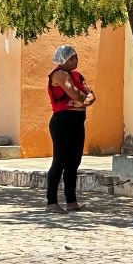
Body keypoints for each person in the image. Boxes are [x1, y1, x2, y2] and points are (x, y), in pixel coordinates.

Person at [46, 45, 95, 213]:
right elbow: (75, 94)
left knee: (74, 161)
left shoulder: (77, 75)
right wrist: (84, 99)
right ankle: (51, 202)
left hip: (77, 120)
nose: (75, 60)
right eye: (71, 58)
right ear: (62, 59)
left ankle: (71, 201)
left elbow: (91, 94)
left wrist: (85, 99)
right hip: (62, 121)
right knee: (60, 160)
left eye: (76, 57)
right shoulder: (59, 74)